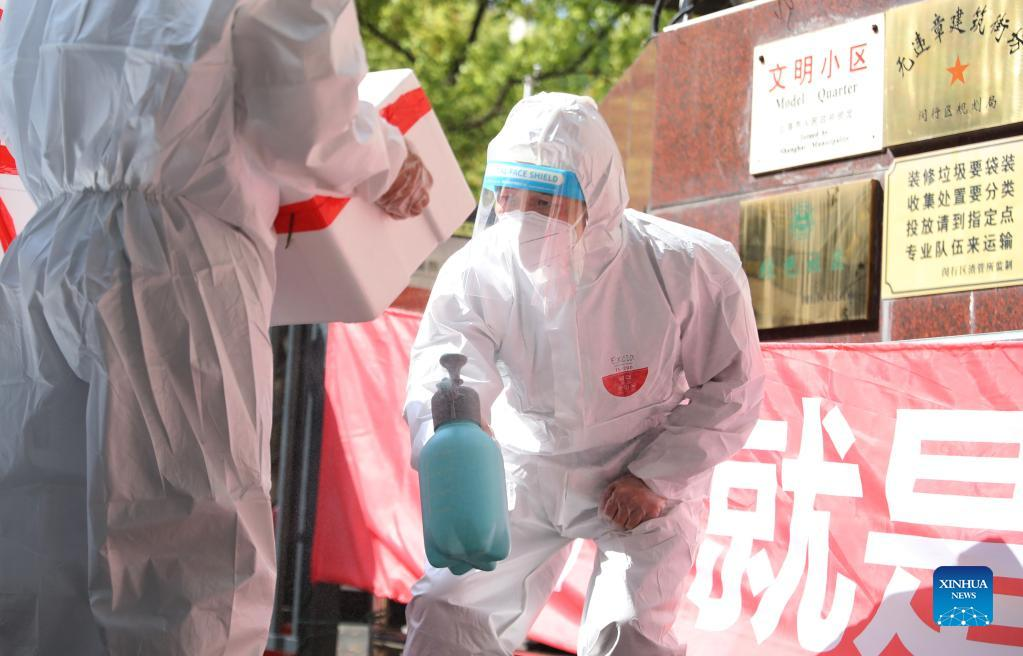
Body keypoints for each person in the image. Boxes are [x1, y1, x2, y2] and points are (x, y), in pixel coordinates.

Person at [0, 1, 430, 654]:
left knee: (40, 543)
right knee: (183, 560)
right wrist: (387, 159)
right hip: (172, 262)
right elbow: (303, 112)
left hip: (47, 250)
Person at [403, 92, 764, 655]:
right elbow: (448, 365)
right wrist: (455, 433)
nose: (524, 217)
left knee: (626, 633)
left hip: (638, 463)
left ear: (595, 197)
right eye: (511, 196)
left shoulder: (685, 266)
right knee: (447, 610)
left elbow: (734, 385)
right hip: (524, 465)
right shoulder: (478, 268)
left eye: (545, 200)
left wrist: (657, 478)